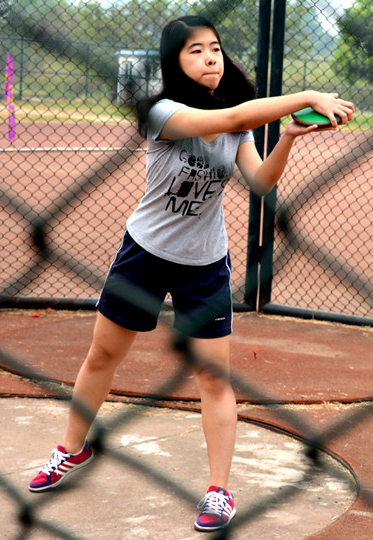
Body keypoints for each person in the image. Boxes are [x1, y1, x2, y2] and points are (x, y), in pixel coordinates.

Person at [27, 14, 354, 533]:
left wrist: (287, 136)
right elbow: (226, 122)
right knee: (104, 356)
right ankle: (71, 448)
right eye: (196, 50)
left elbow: (262, 184)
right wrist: (305, 94)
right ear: (174, 63)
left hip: (204, 264)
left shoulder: (238, 123)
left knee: (212, 377)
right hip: (146, 252)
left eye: (216, 49)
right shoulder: (164, 112)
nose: (210, 58)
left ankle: (219, 490)